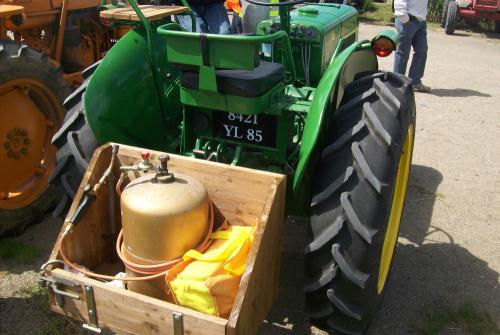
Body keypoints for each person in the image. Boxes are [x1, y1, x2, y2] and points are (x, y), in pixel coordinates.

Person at [393, 0, 431, 92]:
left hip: (420, 21)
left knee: (422, 51)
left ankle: (415, 81)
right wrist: (404, 19)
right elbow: (399, 2)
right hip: (407, 21)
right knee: (403, 53)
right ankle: (397, 83)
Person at [155, 0, 231, 34]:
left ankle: (221, 64)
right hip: (186, 6)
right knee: (198, 37)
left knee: (224, 33)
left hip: (213, 4)